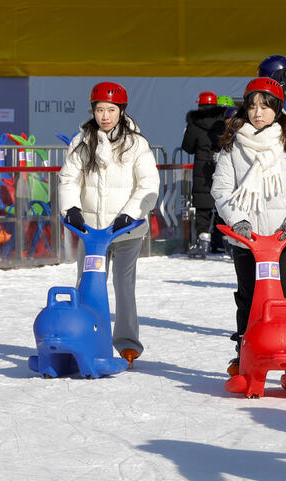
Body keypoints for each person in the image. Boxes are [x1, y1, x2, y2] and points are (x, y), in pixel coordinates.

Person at [211, 77, 286, 376]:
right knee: (249, 300)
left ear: (277, 108)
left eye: (265, 106)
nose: (258, 112)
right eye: (252, 106)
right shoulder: (233, 146)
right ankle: (245, 354)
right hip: (248, 239)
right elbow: (221, 189)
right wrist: (238, 220)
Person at [58, 81, 159, 367]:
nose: (105, 116)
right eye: (100, 109)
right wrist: (72, 208)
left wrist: (131, 213)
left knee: (124, 286)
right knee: (88, 283)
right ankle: (85, 336)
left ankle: (127, 343)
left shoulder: (136, 143)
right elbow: (69, 179)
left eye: (111, 110)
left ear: (121, 111)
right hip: (91, 232)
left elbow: (149, 182)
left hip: (126, 230)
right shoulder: (82, 141)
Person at [181, 90, 225, 258]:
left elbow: (188, 147)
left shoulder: (195, 125)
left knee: (202, 209)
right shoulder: (222, 123)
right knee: (222, 206)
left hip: (202, 171)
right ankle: (223, 242)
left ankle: (203, 243)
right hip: (222, 169)